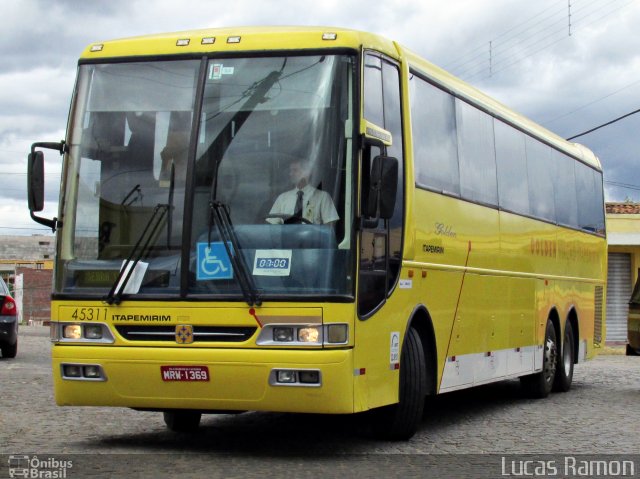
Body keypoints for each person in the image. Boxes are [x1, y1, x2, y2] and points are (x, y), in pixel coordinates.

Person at [267, 160, 339, 225]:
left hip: (313, 239)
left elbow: (330, 225)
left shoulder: (322, 197)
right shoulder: (282, 198)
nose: (290, 174)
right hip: (287, 239)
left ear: (306, 172)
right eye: (290, 171)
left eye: (295, 170)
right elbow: (272, 226)